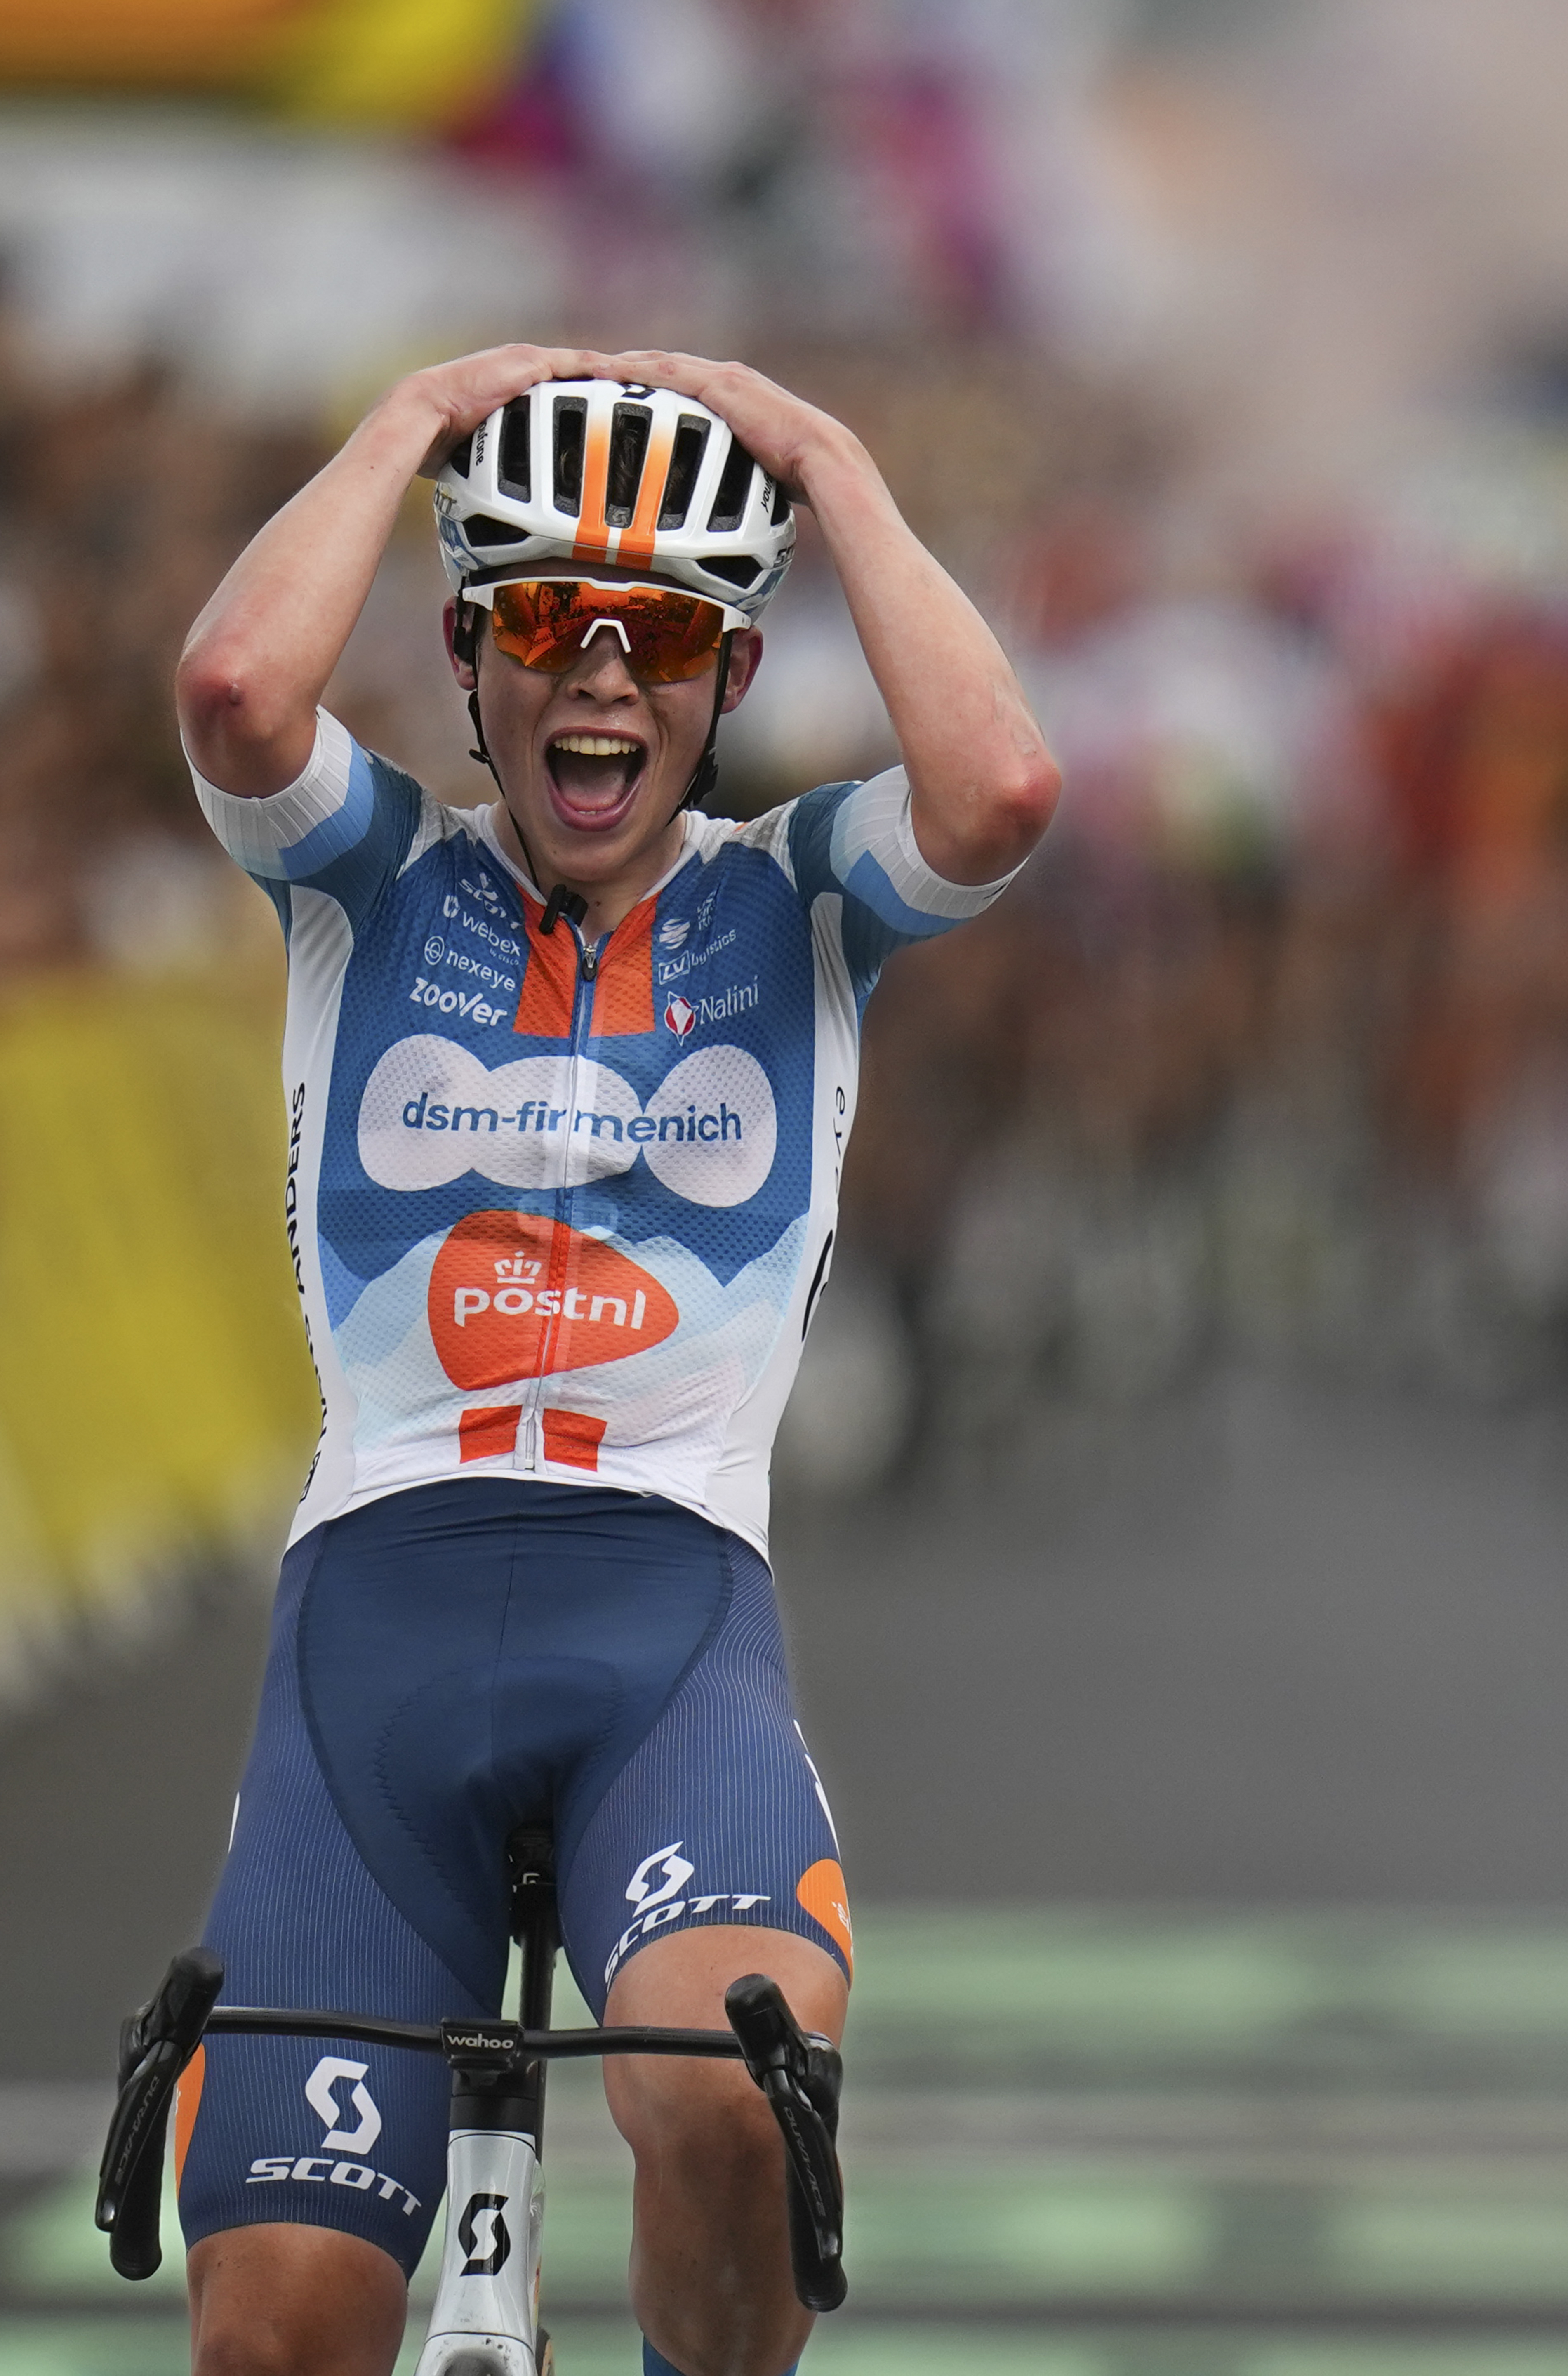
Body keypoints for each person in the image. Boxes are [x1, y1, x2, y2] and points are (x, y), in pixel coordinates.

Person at [168, 347, 1061, 2376]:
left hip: (663, 1617)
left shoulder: (804, 902)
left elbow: (1002, 787)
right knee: (277, 2335)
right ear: (469, 656)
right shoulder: (365, 875)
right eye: (545, 628)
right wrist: (406, 424)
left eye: (659, 638)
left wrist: (832, 459)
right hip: (374, 1627)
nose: (600, 681)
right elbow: (233, 692)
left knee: (731, 2106)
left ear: (727, 681)